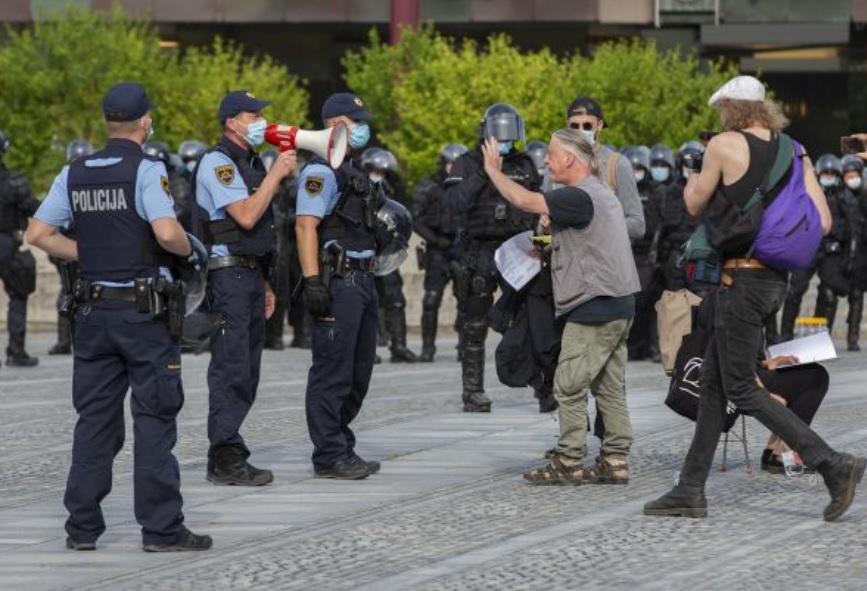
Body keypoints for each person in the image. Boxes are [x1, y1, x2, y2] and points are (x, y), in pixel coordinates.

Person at [644, 75, 865, 523]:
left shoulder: (723, 145)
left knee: (741, 387)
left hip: (739, 280)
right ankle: (690, 490)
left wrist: (703, 180)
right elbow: (822, 222)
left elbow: (692, 204)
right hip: (774, 281)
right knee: (712, 383)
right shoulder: (794, 149)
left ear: (730, 108)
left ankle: (832, 464)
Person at [26, 82, 211, 551]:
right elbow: (167, 232)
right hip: (142, 315)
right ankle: (162, 529)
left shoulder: (75, 171)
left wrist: (90, 254)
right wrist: (192, 250)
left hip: (92, 313)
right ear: (145, 122)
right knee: (154, 420)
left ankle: (82, 529)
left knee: (94, 423)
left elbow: (39, 233)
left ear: (108, 123)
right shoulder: (147, 169)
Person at [478, 128, 640, 484]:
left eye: (551, 155)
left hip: (595, 305)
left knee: (567, 384)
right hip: (618, 302)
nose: (546, 161)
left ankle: (568, 461)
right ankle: (615, 459)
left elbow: (523, 200)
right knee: (609, 385)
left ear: (569, 159)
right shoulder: (597, 193)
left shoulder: (579, 195)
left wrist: (492, 170)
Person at [193, 89, 297, 486]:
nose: (260, 123)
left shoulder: (248, 162)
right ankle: (224, 457)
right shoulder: (218, 163)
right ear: (231, 122)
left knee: (248, 370)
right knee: (231, 366)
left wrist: (266, 281)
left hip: (249, 274)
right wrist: (275, 174)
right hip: (228, 277)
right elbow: (247, 216)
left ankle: (230, 449)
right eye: (253, 116)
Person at [295, 92, 384, 480]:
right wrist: (314, 280)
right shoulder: (319, 172)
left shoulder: (351, 170)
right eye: (353, 121)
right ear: (333, 125)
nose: (361, 128)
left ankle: (341, 442)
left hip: (363, 279)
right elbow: (305, 225)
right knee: (333, 370)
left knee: (358, 371)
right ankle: (329, 453)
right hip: (338, 281)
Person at [444, 103, 541, 412]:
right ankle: (472, 391)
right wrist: (487, 172)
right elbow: (452, 204)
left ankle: (544, 387)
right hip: (481, 250)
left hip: (521, 249)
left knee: (534, 318)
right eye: (499, 133)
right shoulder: (466, 163)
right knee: (473, 324)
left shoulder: (525, 164)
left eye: (510, 134)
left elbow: (539, 203)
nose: (504, 140)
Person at [361, 147, 418, 363]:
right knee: (366, 301)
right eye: (375, 170)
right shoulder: (357, 186)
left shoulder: (391, 187)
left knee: (395, 299)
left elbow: (404, 211)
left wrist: (394, 184)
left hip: (387, 251)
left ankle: (399, 345)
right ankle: (367, 348)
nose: (379, 174)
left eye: (383, 171)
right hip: (364, 250)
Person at [413, 143, 468, 362]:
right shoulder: (428, 187)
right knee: (430, 300)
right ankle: (428, 348)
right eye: (449, 163)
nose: (453, 168)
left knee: (466, 301)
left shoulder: (471, 186)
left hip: (463, 248)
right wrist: (435, 240)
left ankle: (464, 347)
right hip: (438, 250)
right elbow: (415, 218)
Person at [563, 97, 645, 241]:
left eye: (587, 126)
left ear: (599, 125)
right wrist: (544, 229)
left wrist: (599, 226)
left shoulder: (617, 165)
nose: (581, 131)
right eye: (574, 126)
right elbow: (542, 232)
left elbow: (638, 226)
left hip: (605, 260)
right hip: (566, 261)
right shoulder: (556, 165)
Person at [0, 129, 41, 368]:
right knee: (18, 295)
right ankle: (16, 352)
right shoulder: (15, 182)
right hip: (8, 244)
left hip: (8, 242)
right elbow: (35, 208)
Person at [622, 146, 664, 362]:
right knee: (633, 302)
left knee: (647, 301)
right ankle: (635, 346)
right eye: (633, 167)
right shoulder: (622, 189)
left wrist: (656, 250)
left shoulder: (657, 190)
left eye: (640, 167)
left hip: (649, 253)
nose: (637, 171)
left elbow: (660, 222)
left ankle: (649, 346)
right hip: (627, 251)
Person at [811, 154, 860, 334]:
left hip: (833, 251)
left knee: (831, 293)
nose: (829, 176)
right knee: (796, 292)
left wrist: (851, 255)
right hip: (810, 249)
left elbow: (852, 228)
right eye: (826, 173)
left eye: (833, 173)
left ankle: (824, 335)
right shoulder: (810, 192)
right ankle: (787, 335)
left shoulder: (844, 197)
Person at [844, 154, 867, 350]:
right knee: (830, 294)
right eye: (848, 175)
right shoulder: (839, 195)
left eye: (855, 175)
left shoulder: (864, 195)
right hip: (843, 251)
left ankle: (853, 336)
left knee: (857, 294)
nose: (853, 178)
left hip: (862, 250)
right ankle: (824, 334)